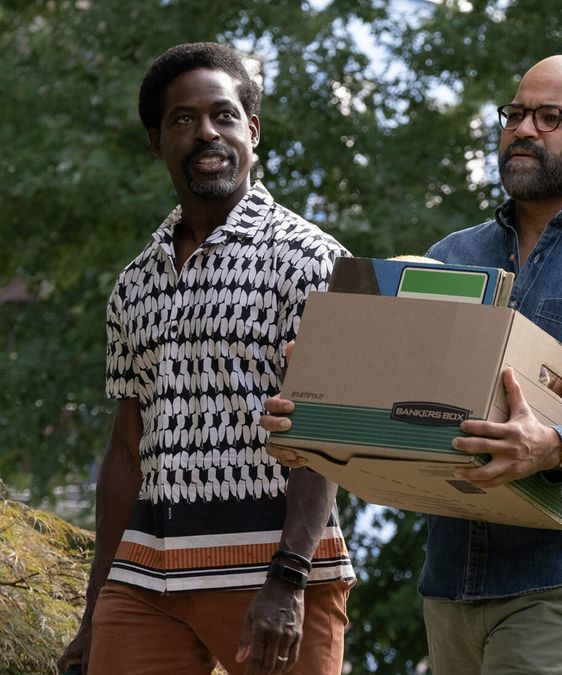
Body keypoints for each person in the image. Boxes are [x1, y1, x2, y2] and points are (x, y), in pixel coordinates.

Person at [262, 54, 562, 673]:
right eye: (515, 113)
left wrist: (553, 447)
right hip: (450, 582)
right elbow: (398, 410)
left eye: (551, 117)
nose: (523, 129)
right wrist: (318, 419)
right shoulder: (450, 257)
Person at [57, 42, 355, 675]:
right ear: (156, 142)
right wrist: (92, 613)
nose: (206, 133)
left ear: (253, 129)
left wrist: (289, 579)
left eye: (223, 115)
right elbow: (127, 448)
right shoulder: (134, 283)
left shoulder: (313, 259)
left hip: (272, 573)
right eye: (183, 120)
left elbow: (329, 427)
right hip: (144, 577)